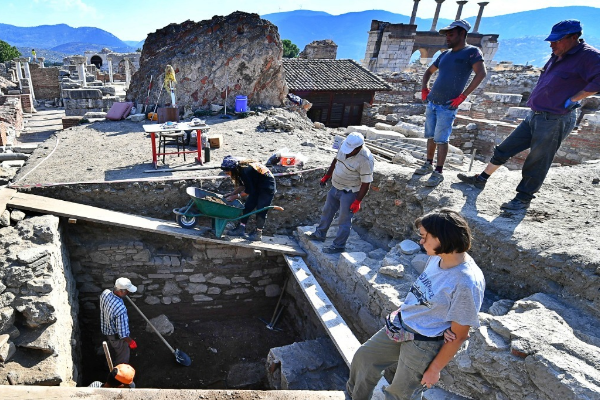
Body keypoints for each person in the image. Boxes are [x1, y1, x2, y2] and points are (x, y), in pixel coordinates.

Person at [458, 20, 600, 210]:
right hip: (535, 114)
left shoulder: (588, 56)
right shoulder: (559, 53)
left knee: (538, 159)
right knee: (505, 148)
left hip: (555, 117)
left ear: (573, 37)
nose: (552, 44)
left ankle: (523, 198)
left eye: (557, 40)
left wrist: (576, 98)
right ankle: (481, 179)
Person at [346, 209, 485, 400]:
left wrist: (434, 369)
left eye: (424, 237)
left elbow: (460, 335)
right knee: (365, 358)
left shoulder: (466, 282)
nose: (421, 241)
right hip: (403, 325)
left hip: (423, 342)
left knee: (402, 393)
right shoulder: (437, 257)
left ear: (442, 238)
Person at [416, 20, 487, 187]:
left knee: (442, 138)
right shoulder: (445, 54)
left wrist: (463, 96)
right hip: (433, 101)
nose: (447, 37)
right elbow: (428, 71)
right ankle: (428, 163)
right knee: (431, 136)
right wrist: (425, 88)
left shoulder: (472, 52)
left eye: (451, 34)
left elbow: (481, 73)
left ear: (462, 34)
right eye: (446, 34)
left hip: (448, 104)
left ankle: (438, 172)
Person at [306, 132, 374, 254]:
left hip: (350, 192)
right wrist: (327, 176)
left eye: (350, 150)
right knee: (327, 211)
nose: (347, 152)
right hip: (335, 186)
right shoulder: (345, 145)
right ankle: (320, 234)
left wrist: (357, 201)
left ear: (358, 148)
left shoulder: (365, 159)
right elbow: (335, 160)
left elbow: (366, 183)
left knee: (344, 221)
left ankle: (338, 246)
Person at [221, 155, 276, 241]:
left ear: (233, 169)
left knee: (261, 210)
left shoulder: (245, 170)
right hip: (257, 185)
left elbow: (249, 190)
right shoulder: (240, 170)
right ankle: (241, 229)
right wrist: (232, 193)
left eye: (228, 172)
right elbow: (243, 185)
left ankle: (258, 233)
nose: (227, 174)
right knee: (247, 207)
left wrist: (235, 197)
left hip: (267, 187)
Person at [100, 277, 138, 365]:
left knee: (112, 348)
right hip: (116, 336)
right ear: (121, 291)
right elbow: (123, 334)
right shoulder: (120, 309)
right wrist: (131, 342)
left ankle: (109, 359)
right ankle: (119, 375)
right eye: (127, 291)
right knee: (123, 354)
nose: (128, 293)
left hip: (106, 329)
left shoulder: (105, 293)